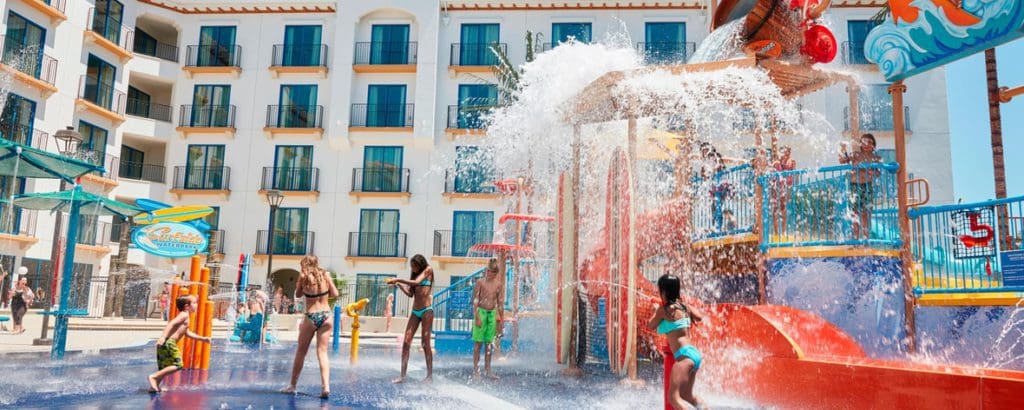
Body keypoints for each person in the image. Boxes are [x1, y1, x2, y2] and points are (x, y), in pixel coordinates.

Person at [283, 255, 340, 398]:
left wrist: (301, 283)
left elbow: (297, 294)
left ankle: (292, 385)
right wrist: (324, 295)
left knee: (301, 351)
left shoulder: (303, 278)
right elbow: (336, 294)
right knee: (322, 352)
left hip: (311, 316)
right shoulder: (325, 275)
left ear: (304, 264)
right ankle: (326, 387)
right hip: (327, 315)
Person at [647, 273, 705, 410]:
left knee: (673, 398)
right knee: (687, 396)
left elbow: (650, 325)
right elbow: (699, 317)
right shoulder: (684, 307)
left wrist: (655, 311)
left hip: (683, 357)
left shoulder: (663, 310)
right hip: (694, 355)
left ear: (663, 292)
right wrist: (686, 305)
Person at [386, 254, 435, 383]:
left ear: (420, 265)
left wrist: (398, 279)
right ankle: (402, 376)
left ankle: (429, 376)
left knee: (425, 344)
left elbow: (418, 282)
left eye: (414, 266)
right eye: (411, 267)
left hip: (426, 311)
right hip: (415, 311)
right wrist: (398, 285)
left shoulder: (428, 270)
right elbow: (410, 294)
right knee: (406, 342)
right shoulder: (414, 275)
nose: (412, 269)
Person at [148, 295, 211, 393]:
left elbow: (187, 333)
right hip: (169, 342)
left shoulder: (185, 316)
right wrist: (163, 337)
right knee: (178, 364)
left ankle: (154, 386)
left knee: (165, 367)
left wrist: (203, 339)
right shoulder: (184, 315)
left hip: (166, 342)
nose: (197, 305)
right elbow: (171, 323)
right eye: (194, 303)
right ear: (187, 306)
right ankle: (153, 377)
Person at [839, 134, 882, 240]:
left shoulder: (876, 157)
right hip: (854, 185)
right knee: (855, 213)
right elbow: (843, 160)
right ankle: (856, 239)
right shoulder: (856, 154)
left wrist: (868, 170)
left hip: (867, 186)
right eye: (864, 142)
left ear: (873, 145)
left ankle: (866, 239)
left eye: (870, 142)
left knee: (866, 213)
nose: (867, 145)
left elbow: (878, 173)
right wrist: (843, 149)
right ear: (861, 144)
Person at [472, 257, 506, 380]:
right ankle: (476, 370)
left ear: (496, 273)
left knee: (489, 344)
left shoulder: (498, 285)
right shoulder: (480, 282)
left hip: (492, 314)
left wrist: (501, 320)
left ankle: (488, 370)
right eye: (488, 270)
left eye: (491, 271)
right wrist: (476, 316)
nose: (489, 273)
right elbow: (475, 300)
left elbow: (500, 302)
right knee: (478, 344)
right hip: (481, 312)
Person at [770, 146, 797, 236]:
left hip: (785, 187)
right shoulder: (776, 163)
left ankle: (784, 231)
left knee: (783, 208)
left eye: (788, 153)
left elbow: (795, 175)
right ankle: (776, 232)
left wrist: (792, 188)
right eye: (784, 152)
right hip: (775, 188)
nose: (785, 154)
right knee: (775, 209)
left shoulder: (791, 162)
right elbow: (771, 175)